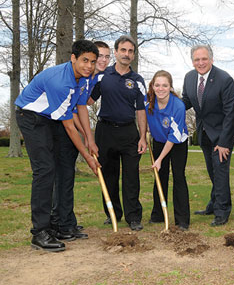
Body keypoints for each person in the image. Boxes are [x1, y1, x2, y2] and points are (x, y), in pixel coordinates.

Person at [15, 40, 100, 252]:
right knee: (45, 169)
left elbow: (81, 107)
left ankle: (61, 225)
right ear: (73, 58)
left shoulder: (85, 79)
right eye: (84, 60)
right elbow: (70, 127)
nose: (89, 65)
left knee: (63, 165)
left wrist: (90, 140)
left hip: (50, 118)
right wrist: (88, 158)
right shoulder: (60, 82)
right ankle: (41, 232)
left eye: (92, 61)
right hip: (31, 117)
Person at [50, 41, 111, 240]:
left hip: (73, 126)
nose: (101, 61)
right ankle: (61, 222)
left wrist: (89, 137)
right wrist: (85, 137)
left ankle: (67, 220)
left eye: (105, 57)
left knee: (67, 177)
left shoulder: (91, 79)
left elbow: (83, 106)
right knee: (64, 175)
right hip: (63, 126)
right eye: (98, 57)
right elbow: (71, 111)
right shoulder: (77, 77)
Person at [90, 35, 147, 231]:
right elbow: (88, 101)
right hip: (105, 131)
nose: (126, 54)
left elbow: (141, 110)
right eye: (123, 50)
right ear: (115, 52)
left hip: (129, 132)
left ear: (133, 55)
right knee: (108, 176)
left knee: (131, 176)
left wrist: (142, 136)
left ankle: (133, 217)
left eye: (130, 51)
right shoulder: (102, 75)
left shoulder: (137, 80)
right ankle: (112, 213)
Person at [182, 44, 234, 226]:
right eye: (197, 59)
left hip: (224, 132)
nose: (201, 63)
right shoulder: (189, 78)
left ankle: (222, 211)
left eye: (204, 59)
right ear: (192, 62)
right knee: (212, 170)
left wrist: (224, 142)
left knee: (220, 171)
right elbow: (186, 101)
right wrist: (168, 103)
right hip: (205, 132)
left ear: (211, 59)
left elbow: (231, 112)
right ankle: (214, 203)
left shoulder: (224, 79)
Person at [145, 70, 190, 230]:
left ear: (170, 87)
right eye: (157, 85)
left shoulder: (178, 106)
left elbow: (173, 137)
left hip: (177, 143)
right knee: (160, 176)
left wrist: (159, 159)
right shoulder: (148, 100)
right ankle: (157, 215)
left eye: (165, 85)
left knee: (178, 177)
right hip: (158, 141)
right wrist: (144, 133)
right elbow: (142, 116)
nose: (161, 88)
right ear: (152, 86)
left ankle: (182, 220)